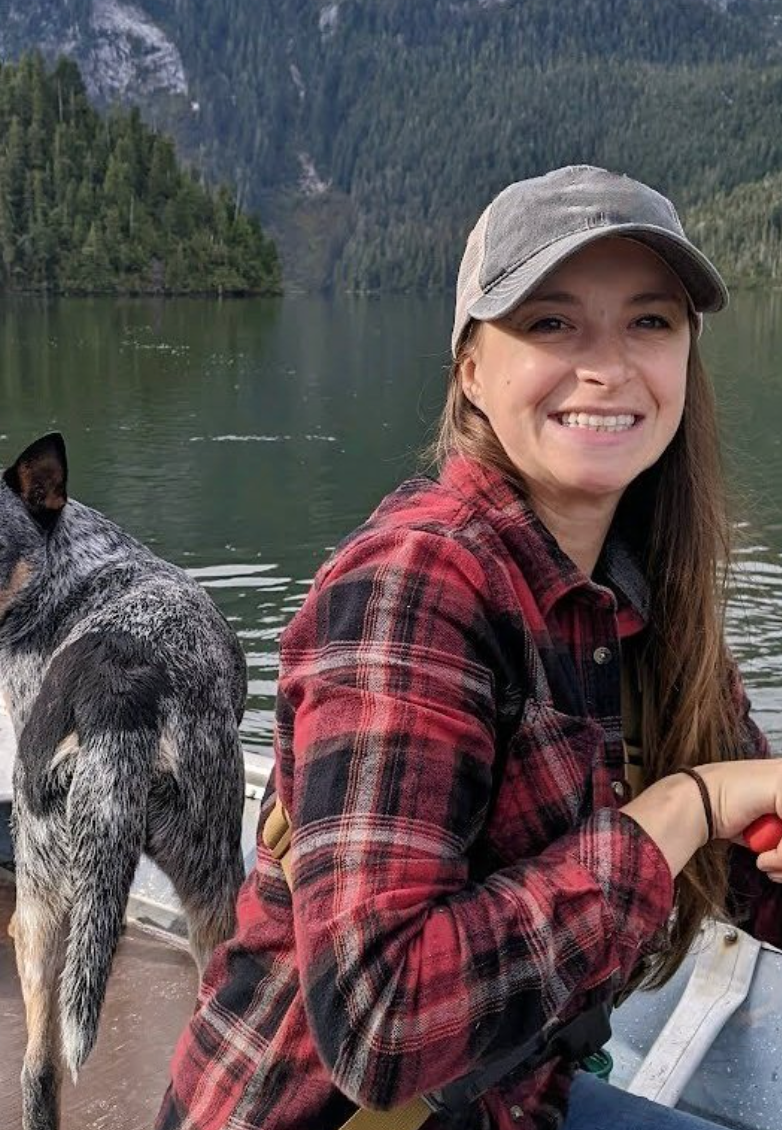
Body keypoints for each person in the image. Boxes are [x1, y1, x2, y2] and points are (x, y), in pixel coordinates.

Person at [154, 166, 782, 1130]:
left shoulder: (648, 600)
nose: (609, 367)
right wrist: (683, 809)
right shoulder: (412, 584)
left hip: (516, 1104)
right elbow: (379, 1028)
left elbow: (757, 857)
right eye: (551, 323)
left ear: (688, 356)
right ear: (472, 370)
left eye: (650, 323)